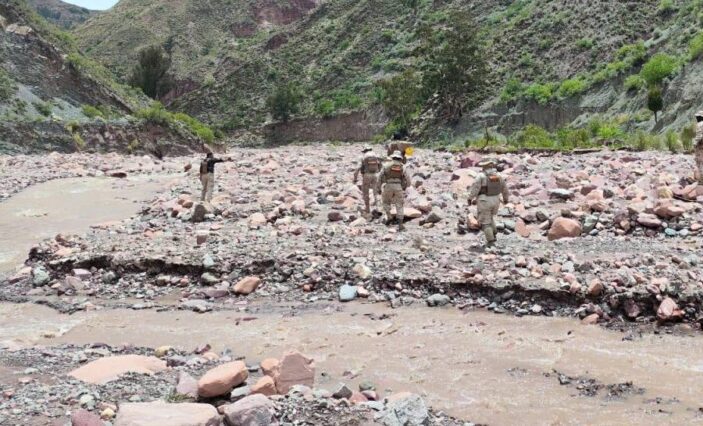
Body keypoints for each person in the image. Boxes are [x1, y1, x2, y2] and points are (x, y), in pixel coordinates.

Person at [467, 158, 509, 248]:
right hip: (496, 200)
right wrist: (506, 199)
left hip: (484, 201)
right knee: (490, 217)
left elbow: (475, 188)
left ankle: (491, 241)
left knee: (485, 222)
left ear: (483, 167)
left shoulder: (481, 176)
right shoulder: (498, 176)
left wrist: (470, 198)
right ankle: (494, 232)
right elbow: (505, 189)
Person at [377, 151, 411, 231]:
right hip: (398, 186)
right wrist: (406, 186)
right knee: (399, 204)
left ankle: (389, 217)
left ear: (393, 157)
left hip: (388, 185)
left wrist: (378, 188)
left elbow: (380, 177)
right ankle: (400, 225)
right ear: (400, 158)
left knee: (386, 202)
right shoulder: (403, 166)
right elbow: (407, 178)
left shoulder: (386, 165)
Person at [353, 145, 382, 218]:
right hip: (375, 175)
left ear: (365, 150)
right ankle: (377, 208)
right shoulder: (376, 155)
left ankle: (368, 209)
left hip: (367, 175)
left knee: (365, 192)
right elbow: (381, 165)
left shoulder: (363, 157)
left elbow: (357, 168)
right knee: (375, 192)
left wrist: (355, 178)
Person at [695, 111, 703, 184]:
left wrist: (695, 144)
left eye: (697, 117)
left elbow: (699, 136)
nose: (696, 118)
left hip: (700, 146)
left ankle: (702, 180)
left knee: (700, 162)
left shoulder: (699, 124)